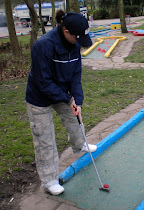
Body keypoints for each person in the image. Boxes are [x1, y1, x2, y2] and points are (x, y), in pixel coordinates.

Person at [26, 10, 95, 195]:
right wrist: (67, 98)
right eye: (78, 38)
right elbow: (43, 82)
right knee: (44, 139)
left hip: (61, 91)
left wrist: (77, 100)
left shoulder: (75, 44)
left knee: (74, 117)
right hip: (39, 98)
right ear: (65, 31)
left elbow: (75, 76)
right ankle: (49, 181)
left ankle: (79, 144)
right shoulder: (43, 46)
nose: (80, 43)